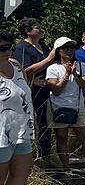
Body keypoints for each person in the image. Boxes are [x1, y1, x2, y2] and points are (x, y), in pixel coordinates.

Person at [1, 30, 42, 185]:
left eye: (8, 47)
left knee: (21, 171)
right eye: (1, 48)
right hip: (0, 132)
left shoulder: (16, 66)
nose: (6, 52)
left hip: (20, 128)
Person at [46, 37, 85, 177]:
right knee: (61, 138)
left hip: (77, 106)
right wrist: (66, 74)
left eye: (71, 47)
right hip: (58, 106)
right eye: (65, 48)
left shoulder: (82, 66)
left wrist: (75, 74)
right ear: (58, 51)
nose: (69, 50)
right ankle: (66, 169)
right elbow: (56, 90)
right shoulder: (53, 68)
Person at [14, 18, 56, 157]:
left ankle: (46, 154)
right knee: (34, 123)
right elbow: (25, 70)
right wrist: (48, 59)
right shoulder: (22, 48)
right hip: (32, 92)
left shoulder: (43, 46)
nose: (41, 30)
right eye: (37, 28)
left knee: (45, 123)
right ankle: (34, 155)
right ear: (28, 31)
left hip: (46, 90)